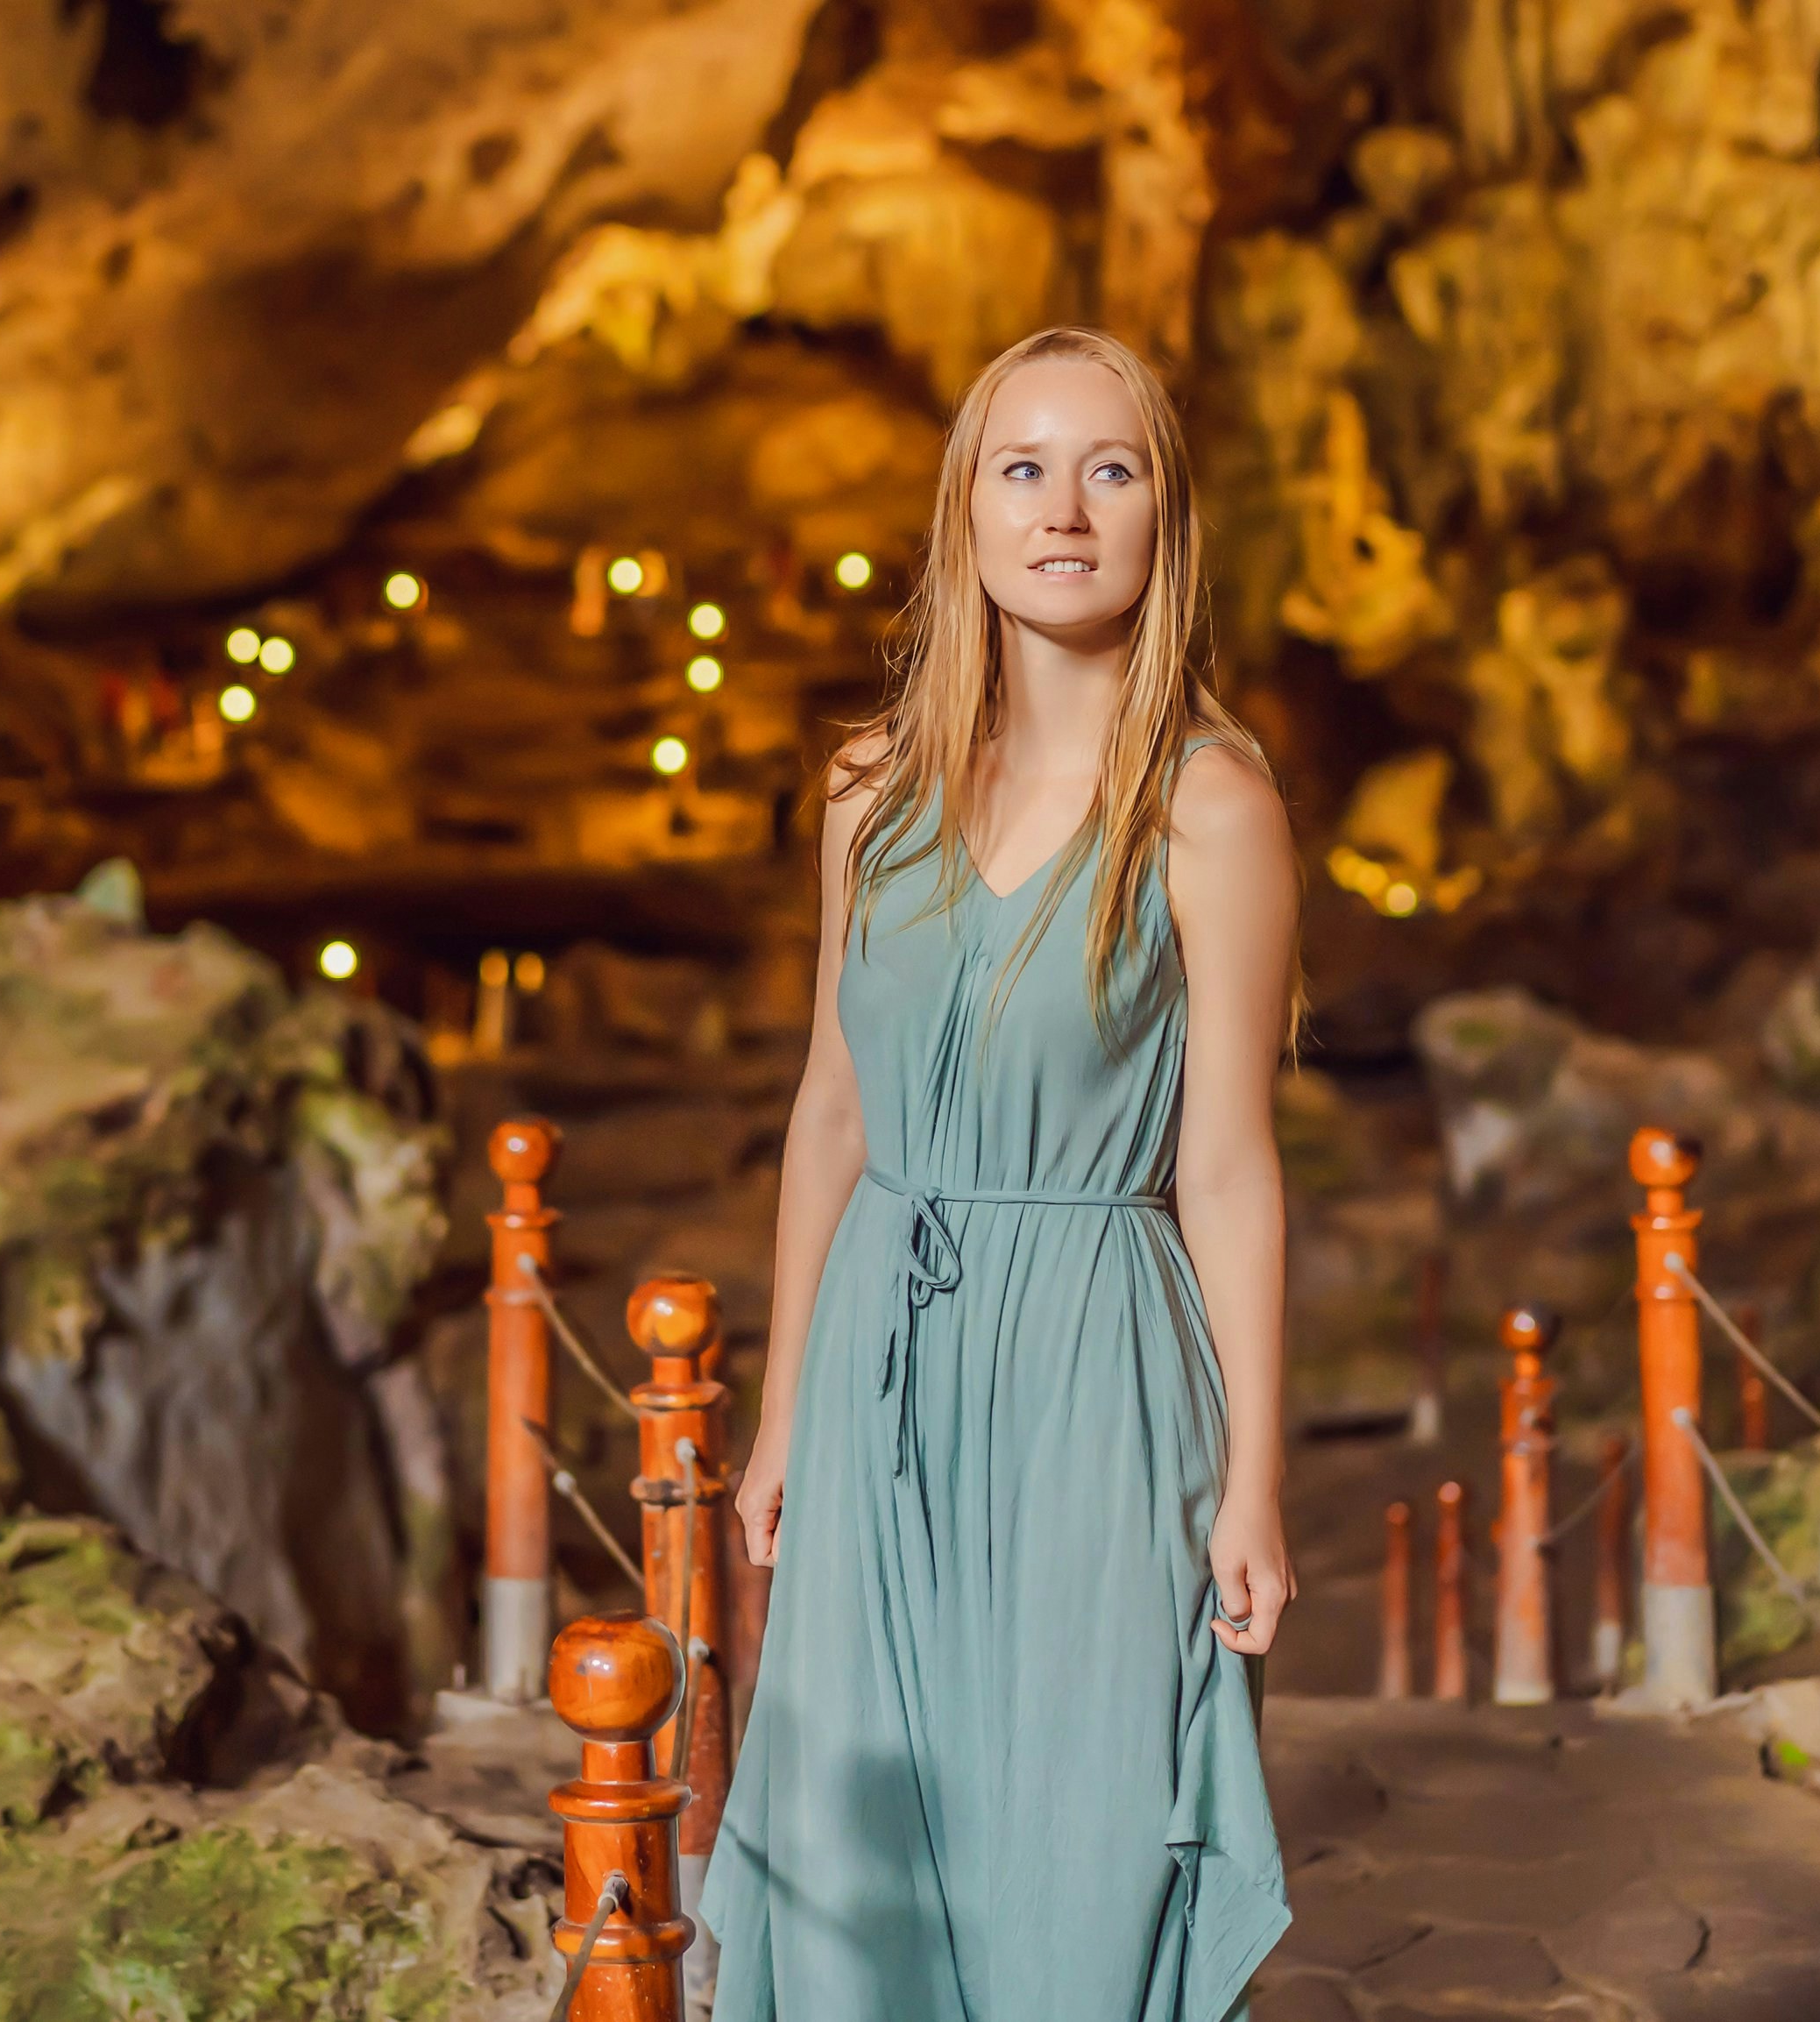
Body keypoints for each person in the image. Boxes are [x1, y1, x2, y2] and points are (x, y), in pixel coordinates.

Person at [699, 326, 1300, 2021]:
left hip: (1097, 1381)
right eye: (1020, 468)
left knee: (1072, 1850)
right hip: (879, 1363)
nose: (1062, 509)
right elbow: (831, 1112)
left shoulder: (1211, 807)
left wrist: (1254, 1475)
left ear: (1161, 517)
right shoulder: (864, 797)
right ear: (965, 512)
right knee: (861, 1841)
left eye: (1108, 469)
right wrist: (780, 1411)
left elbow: (1233, 1168)